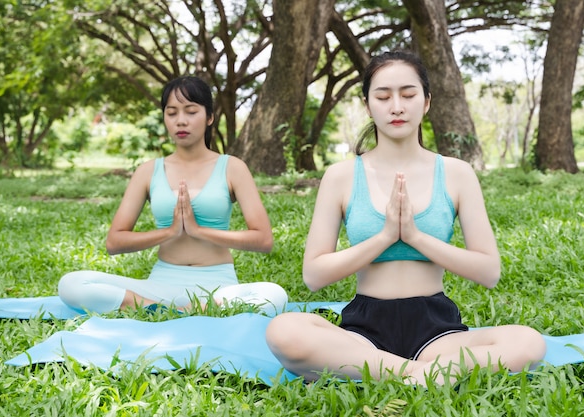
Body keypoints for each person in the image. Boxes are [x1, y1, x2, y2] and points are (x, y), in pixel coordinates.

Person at [265, 51, 546, 386]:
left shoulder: (457, 173)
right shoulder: (341, 176)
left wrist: (414, 236)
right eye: (383, 97)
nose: (396, 106)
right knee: (284, 330)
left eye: (408, 95)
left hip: (437, 332)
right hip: (364, 332)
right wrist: (384, 236)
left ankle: (397, 372)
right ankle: (419, 376)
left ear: (426, 102)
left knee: (528, 341)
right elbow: (313, 275)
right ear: (368, 106)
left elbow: (488, 272)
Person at [58, 76, 287, 316]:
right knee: (72, 283)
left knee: (274, 295)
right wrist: (169, 232)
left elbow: (263, 240)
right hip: (161, 285)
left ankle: (179, 311)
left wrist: (198, 231)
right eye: (172, 113)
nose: (181, 121)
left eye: (191, 112)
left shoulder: (233, 167)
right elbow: (115, 243)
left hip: (218, 286)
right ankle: (167, 309)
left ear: (209, 117)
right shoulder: (148, 171)